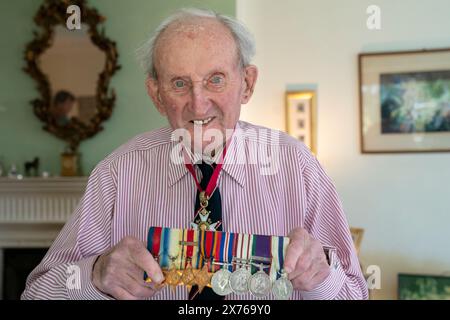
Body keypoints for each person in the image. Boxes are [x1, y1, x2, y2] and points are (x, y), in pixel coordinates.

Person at [22, 8, 368, 300]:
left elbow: (355, 293)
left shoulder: (297, 166)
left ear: (246, 84)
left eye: (215, 79)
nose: (198, 103)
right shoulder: (117, 172)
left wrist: (322, 278)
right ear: (156, 94)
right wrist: (96, 275)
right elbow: (36, 293)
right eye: (179, 83)